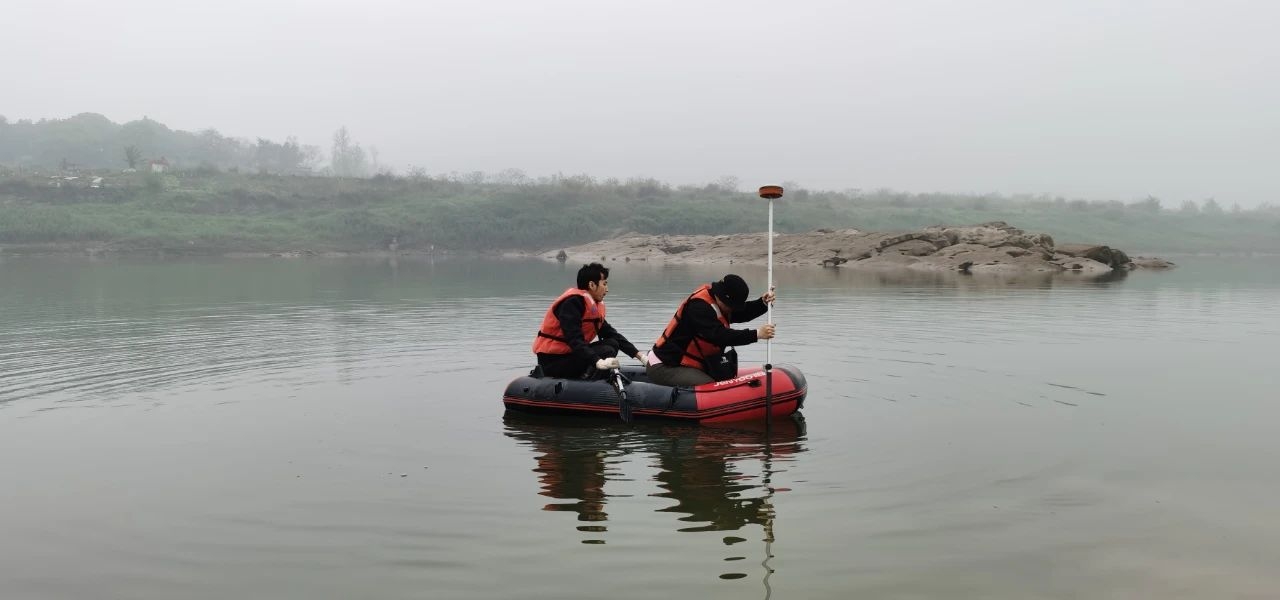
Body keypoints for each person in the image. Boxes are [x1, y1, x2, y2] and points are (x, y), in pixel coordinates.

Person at [646, 274, 776, 387]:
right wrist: (756, 334)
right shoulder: (698, 308)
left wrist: (762, 304)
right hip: (666, 365)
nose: (732, 309)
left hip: (688, 364)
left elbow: (741, 313)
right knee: (710, 385)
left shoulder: (719, 303)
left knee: (720, 378)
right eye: (732, 306)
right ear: (722, 297)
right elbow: (719, 335)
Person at [533, 262, 646, 379]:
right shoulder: (571, 304)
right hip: (553, 362)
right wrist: (597, 361)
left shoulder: (591, 308)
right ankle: (591, 381)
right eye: (604, 284)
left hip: (571, 356)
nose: (607, 289)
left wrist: (641, 357)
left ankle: (592, 376)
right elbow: (575, 340)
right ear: (592, 285)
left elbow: (612, 334)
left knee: (613, 343)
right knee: (606, 350)